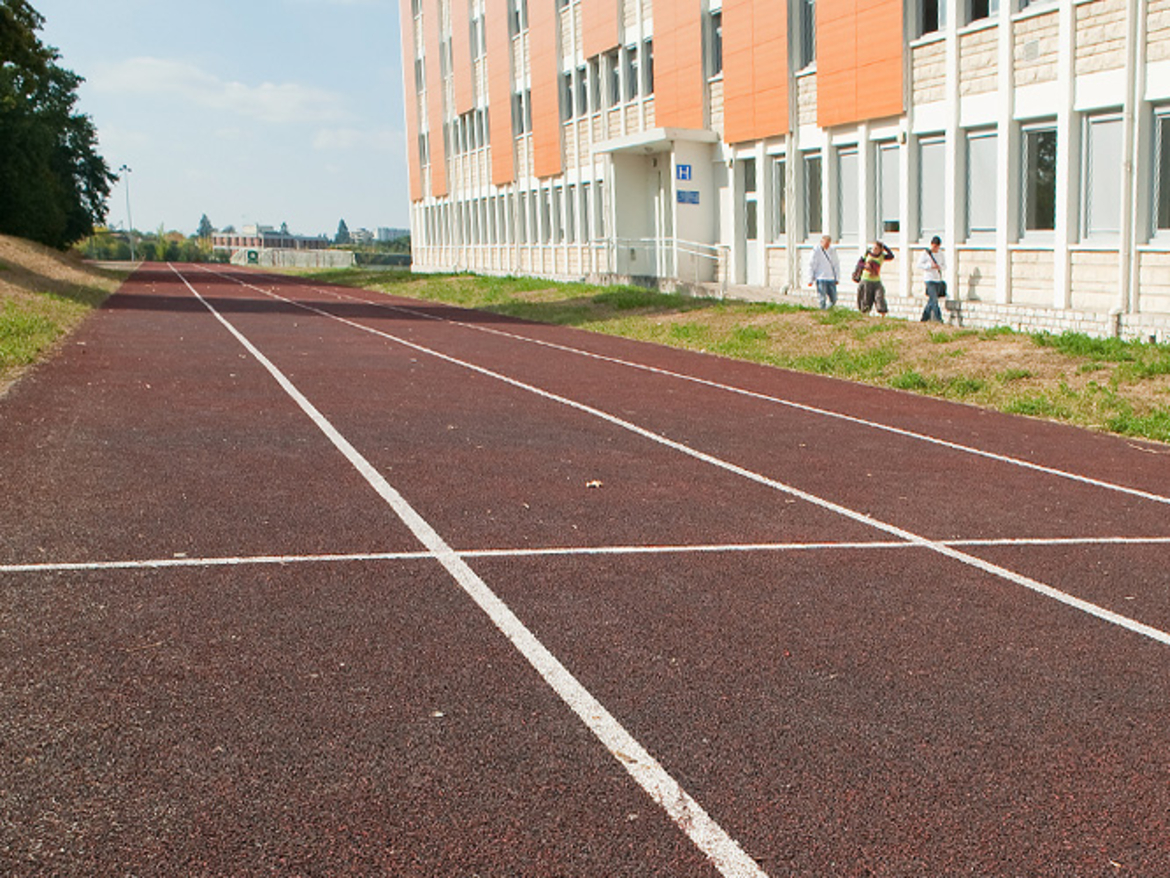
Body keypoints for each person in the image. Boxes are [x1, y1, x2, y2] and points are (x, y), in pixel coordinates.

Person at [857, 240, 894, 315]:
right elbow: (859, 263)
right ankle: (865, 314)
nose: (874, 250)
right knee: (866, 299)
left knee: (880, 296)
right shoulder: (867, 254)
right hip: (866, 280)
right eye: (873, 248)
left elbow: (891, 256)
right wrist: (865, 266)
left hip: (876, 280)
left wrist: (885, 248)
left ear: (880, 249)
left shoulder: (882, 256)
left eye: (876, 248)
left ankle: (882, 313)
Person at [806, 234, 840, 309]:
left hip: (830, 278)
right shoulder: (816, 251)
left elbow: (836, 264)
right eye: (825, 243)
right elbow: (812, 265)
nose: (827, 245)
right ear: (821, 242)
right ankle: (822, 312)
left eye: (828, 243)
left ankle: (827, 310)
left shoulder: (832, 251)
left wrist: (837, 277)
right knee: (822, 299)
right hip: (820, 277)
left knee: (834, 299)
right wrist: (810, 279)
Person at [918, 235, 946, 323]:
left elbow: (944, 266)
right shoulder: (926, 253)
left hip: (937, 279)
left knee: (931, 300)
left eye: (937, 247)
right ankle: (938, 319)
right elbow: (919, 265)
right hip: (929, 279)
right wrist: (930, 266)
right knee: (934, 299)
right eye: (934, 246)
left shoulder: (941, 254)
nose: (936, 248)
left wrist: (939, 267)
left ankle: (924, 318)